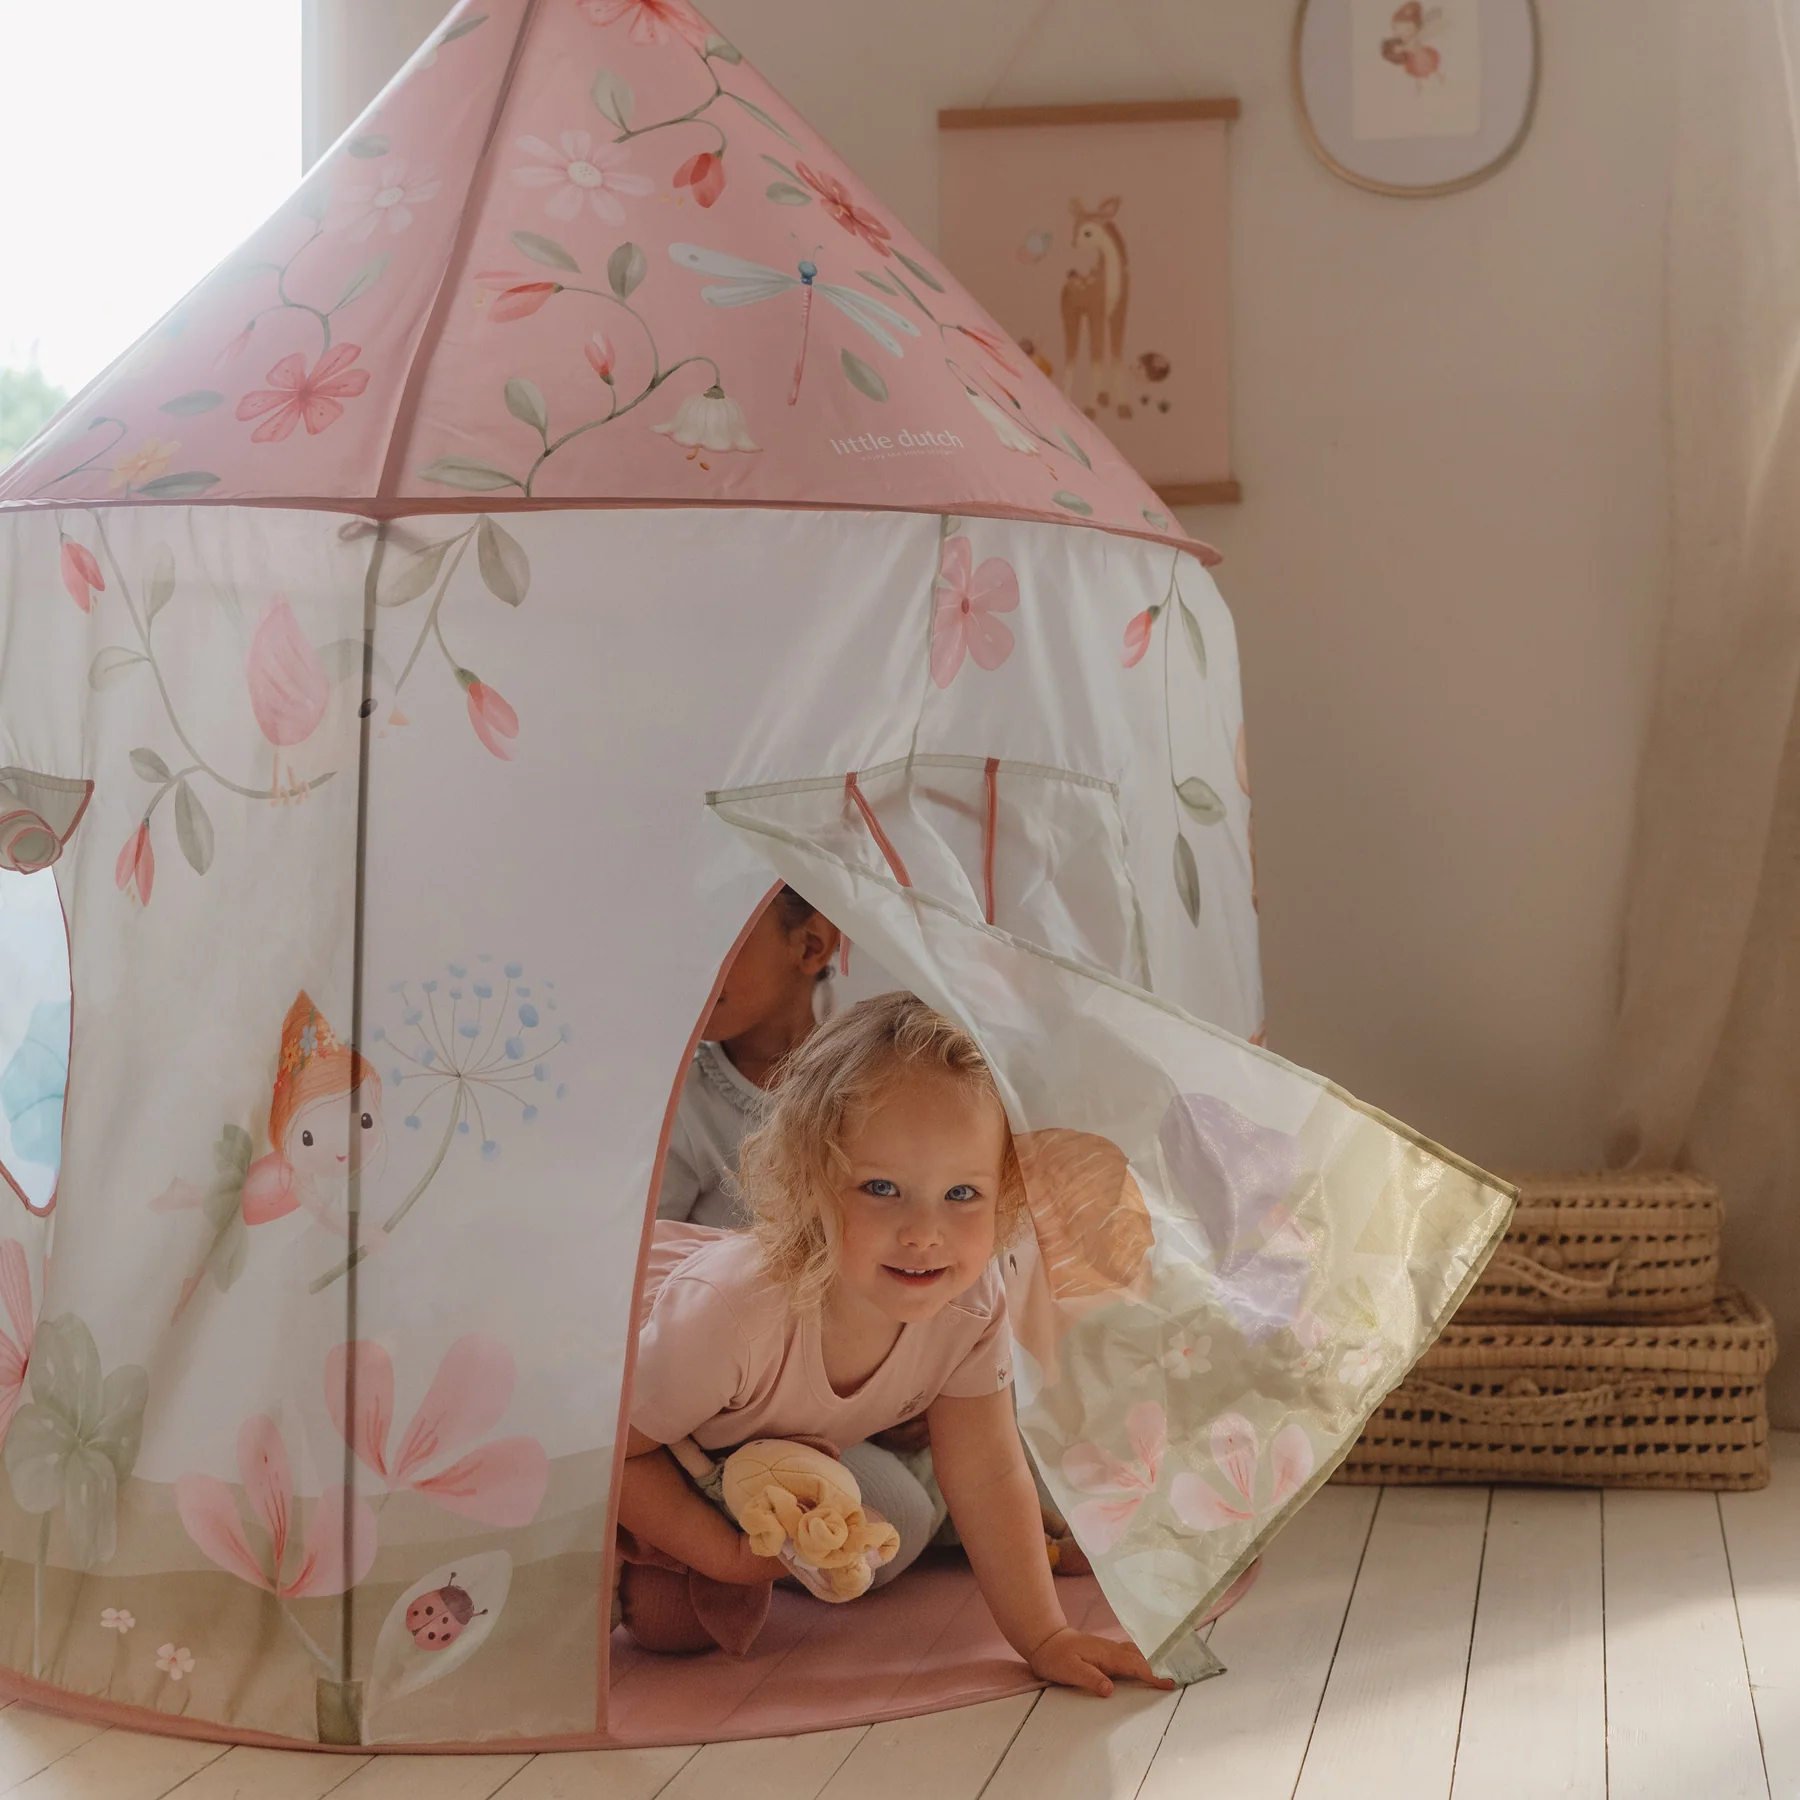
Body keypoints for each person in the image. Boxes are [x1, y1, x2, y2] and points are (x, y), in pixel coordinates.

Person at [617, 992, 1166, 1698]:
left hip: (757, 1441)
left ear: (1004, 1196)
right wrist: (721, 1556)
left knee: (884, 1537)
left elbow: (988, 1472)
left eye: (963, 1194)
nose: (923, 1232)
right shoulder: (733, 1313)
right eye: (882, 1187)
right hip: (627, 1422)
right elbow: (615, 1450)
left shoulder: (966, 1298)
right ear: (812, 1179)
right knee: (667, 1627)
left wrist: (1045, 1635)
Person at [656, 887, 839, 1230]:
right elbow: (645, 1267)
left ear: (811, 945)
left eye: (717, 933)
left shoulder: (878, 1075)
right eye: (675, 937)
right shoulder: (679, 1108)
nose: (686, 963)